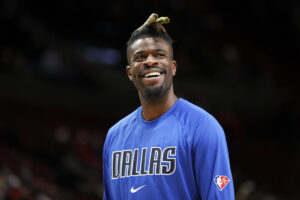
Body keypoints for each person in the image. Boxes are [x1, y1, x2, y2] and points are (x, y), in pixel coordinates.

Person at [102, 13, 235, 200]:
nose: (150, 61)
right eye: (140, 57)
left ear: (173, 67)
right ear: (130, 72)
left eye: (159, 55)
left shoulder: (203, 127)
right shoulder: (114, 137)